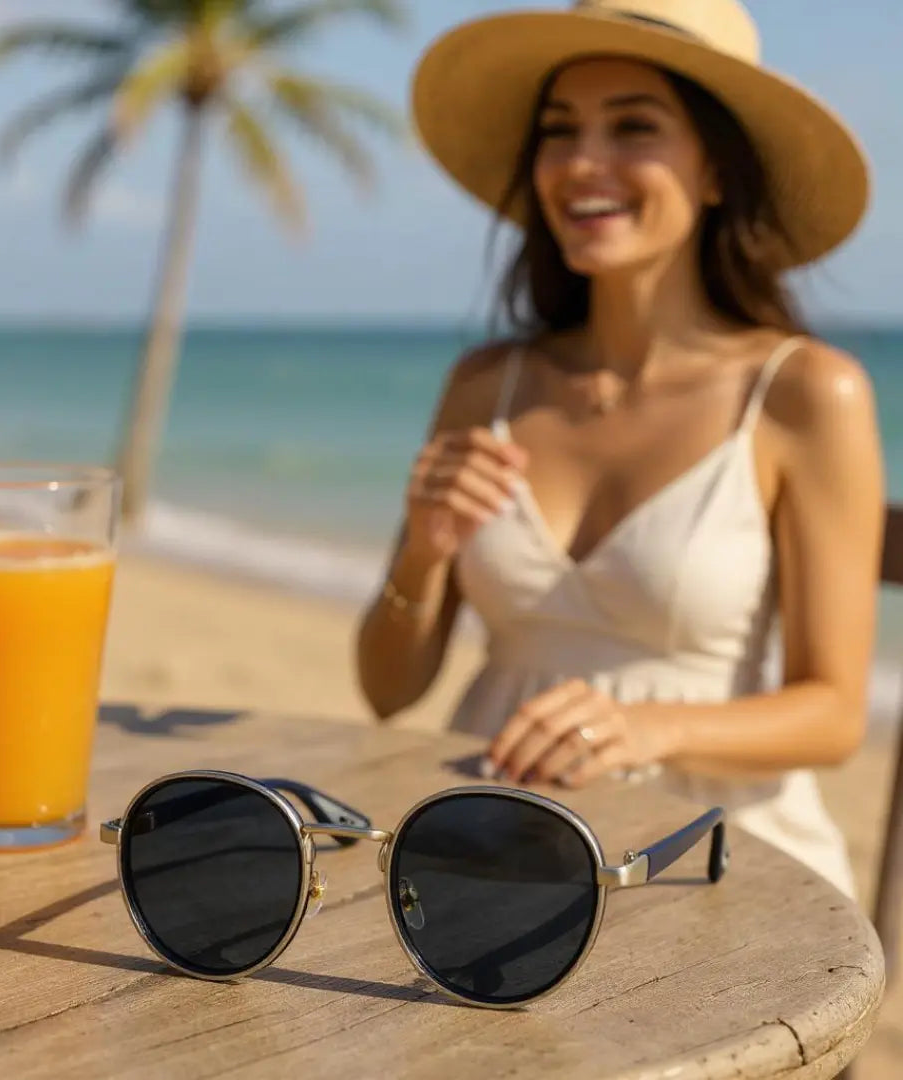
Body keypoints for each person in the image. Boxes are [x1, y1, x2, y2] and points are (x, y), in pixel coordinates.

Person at [355, 0, 885, 898]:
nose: (581, 164)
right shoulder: (489, 385)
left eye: (633, 126)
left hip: (713, 865)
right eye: (559, 132)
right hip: (490, 849)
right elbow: (387, 691)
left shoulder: (805, 394)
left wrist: (652, 728)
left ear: (717, 170)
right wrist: (425, 546)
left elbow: (835, 715)